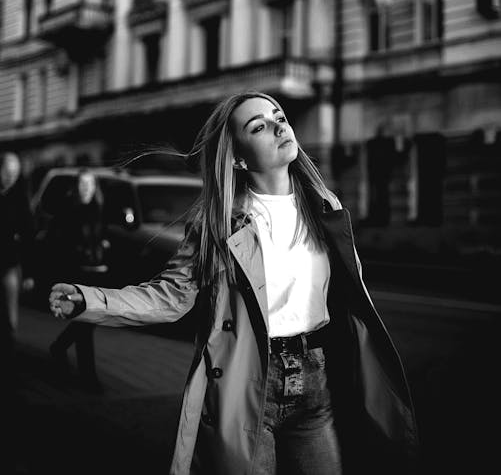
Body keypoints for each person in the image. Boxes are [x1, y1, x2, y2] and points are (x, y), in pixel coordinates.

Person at [49, 92, 418, 474]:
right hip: (251, 384)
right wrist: (89, 300)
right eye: (259, 126)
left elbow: (349, 292)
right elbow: (170, 296)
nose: (278, 127)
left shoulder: (326, 206)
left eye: (279, 116)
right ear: (239, 158)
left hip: (318, 381)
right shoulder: (218, 224)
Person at [49, 169, 109, 392]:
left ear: (95, 187)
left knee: (87, 321)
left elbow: (101, 237)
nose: (86, 187)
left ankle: (60, 348)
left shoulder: (100, 209)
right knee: (86, 320)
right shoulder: (68, 210)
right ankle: (88, 377)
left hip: (96, 272)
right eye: (82, 183)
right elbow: (58, 243)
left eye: (90, 183)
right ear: (77, 186)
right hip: (77, 273)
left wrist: (103, 246)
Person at [0, 151, 35, 366]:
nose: (10, 177)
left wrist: (29, 273)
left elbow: (28, 236)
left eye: (15, 173)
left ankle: (8, 353)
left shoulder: (19, 198)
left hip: (8, 264)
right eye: (7, 172)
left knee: (10, 312)